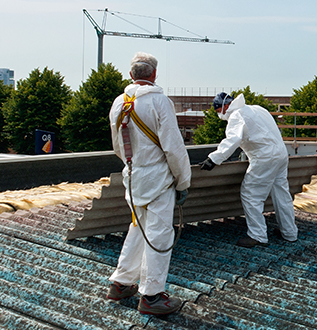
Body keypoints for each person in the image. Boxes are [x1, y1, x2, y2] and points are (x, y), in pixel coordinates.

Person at [106, 52, 191, 315]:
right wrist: (183, 181)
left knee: (138, 229)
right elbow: (174, 148)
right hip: (158, 181)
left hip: (133, 178)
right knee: (159, 235)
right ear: (154, 74)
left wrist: (137, 167)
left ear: (131, 75)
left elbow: (118, 147)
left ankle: (121, 283)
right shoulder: (160, 102)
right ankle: (152, 296)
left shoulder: (119, 103)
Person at [200, 92, 298, 248]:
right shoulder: (257, 109)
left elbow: (233, 139)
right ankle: (289, 232)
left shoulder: (236, 115)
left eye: (218, 111)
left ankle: (257, 235)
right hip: (281, 154)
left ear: (225, 106)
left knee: (251, 194)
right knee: (281, 194)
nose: (220, 115)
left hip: (265, 157)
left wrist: (214, 159)